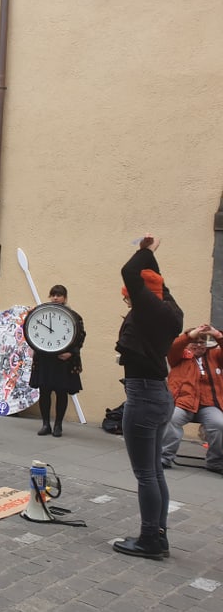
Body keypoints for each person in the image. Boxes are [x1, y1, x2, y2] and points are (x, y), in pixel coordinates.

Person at [113, 234, 183, 560]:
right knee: (155, 471)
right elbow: (154, 283)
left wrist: (146, 251)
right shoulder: (170, 309)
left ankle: (148, 540)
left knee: (145, 474)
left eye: (129, 298)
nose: (128, 302)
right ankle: (159, 535)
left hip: (142, 396)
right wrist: (154, 264)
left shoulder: (148, 309)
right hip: (159, 394)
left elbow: (130, 273)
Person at [161, 324, 223, 474]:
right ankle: (164, 457)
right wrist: (190, 335)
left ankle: (215, 461)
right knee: (172, 419)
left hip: (209, 404)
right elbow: (174, 346)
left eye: (202, 342)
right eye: (194, 342)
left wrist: (217, 335)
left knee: (219, 424)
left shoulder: (215, 356)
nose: (198, 345)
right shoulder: (178, 356)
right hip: (184, 402)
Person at [29, 285, 86, 437]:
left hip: (63, 361)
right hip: (45, 359)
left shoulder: (74, 316)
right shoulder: (41, 313)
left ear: (65, 298)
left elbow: (80, 337)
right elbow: (32, 332)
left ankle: (58, 425)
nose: (55, 298)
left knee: (61, 393)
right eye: (53, 295)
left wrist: (71, 353)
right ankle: (45, 424)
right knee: (44, 392)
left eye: (59, 295)